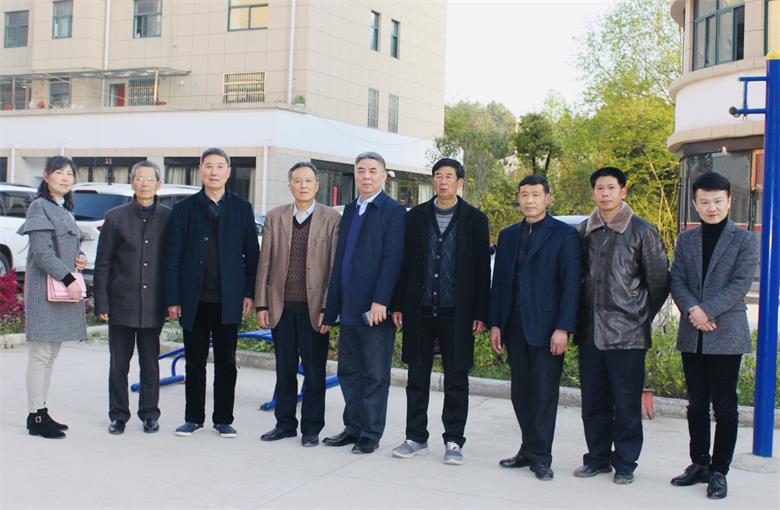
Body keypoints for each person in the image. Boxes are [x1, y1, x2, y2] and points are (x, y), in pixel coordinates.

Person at [390, 158, 490, 465]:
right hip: (419, 310)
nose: (443, 181)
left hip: (458, 313)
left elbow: (482, 270)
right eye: (438, 176)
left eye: (449, 176)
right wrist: (398, 304)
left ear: (460, 182)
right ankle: (415, 436)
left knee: (456, 379)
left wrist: (481, 312)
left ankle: (454, 440)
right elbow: (404, 263)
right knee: (417, 377)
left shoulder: (475, 219)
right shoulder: (416, 217)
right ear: (433, 180)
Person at [574, 166, 669, 484]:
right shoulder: (584, 231)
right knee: (594, 401)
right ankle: (597, 458)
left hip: (627, 335)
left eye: (611, 188)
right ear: (593, 192)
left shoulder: (642, 231)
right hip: (591, 333)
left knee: (626, 403)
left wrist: (638, 316)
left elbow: (658, 283)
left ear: (623, 191)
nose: (605, 194)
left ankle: (626, 463)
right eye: (599, 188)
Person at [669, 172, 757, 500]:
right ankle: (699, 463)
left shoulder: (744, 240)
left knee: (725, 406)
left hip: (725, 332)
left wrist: (706, 311)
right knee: (696, 405)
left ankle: (719, 471)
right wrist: (693, 310)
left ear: (729, 202)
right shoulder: (686, 239)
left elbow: (740, 284)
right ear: (695, 203)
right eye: (704, 202)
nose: (712, 207)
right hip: (693, 333)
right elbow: (677, 279)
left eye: (718, 201)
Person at [488, 174, 581, 480]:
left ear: (548, 198)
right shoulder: (508, 235)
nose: (529, 200)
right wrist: (496, 323)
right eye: (524, 194)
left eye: (536, 194)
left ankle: (541, 456)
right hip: (514, 326)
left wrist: (563, 327)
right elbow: (499, 283)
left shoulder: (564, 235)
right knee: (521, 393)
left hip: (547, 327)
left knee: (543, 394)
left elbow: (571, 285)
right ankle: (527, 449)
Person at [164, 147, 259, 438]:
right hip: (193, 299)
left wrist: (249, 293)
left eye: (220, 166)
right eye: (208, 166)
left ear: (228, 172)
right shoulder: (184, 209)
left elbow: (252, 255)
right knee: (194, 361)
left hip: (229, 299)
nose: (214, 172)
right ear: (200, 170)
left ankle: (223, 419)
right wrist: (173, 298)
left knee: (226, 361)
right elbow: (173, 256)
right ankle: (193, 418)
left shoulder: (242, 208)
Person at [322, 151, 405, 454]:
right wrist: (331, 310)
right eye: (360, 171)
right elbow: (340, 261)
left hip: (374, 309)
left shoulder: (393, 211)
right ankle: (353, 427)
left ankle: (370, 433)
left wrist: (381, 300)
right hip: (349, 306)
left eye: (372, 171)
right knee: (349, 371)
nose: (366, 176)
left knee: (375, 374)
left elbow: (393, 258)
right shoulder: (349, 209)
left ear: (384, 175)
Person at [255, 162, 341, 447]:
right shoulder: (275, 216)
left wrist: (329, 308)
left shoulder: (331, 218)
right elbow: (265, 263)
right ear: (290, 185)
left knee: (315, 372)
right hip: (281, 307)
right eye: (297, 180)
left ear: (317, 185)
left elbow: (334, 268)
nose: (303, 185)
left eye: (308, 181)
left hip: (315, 310)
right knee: (284, 369)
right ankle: (284, 424)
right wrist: (262, 305)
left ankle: (311, 428)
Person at [94, 161, 171, 435]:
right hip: (121, 303)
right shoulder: (115, 217)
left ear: (158, 184)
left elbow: (173, 263)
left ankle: (150, 414)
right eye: (140, 178)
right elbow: (103, 263)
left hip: (154, 304)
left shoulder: (168, 217)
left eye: (150, 179)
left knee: (150, 363)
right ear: (132, 182)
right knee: (118, 364)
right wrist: (102, 302)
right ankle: (118, 415)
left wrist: (172, 301)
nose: (145, 184)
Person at [19, 156, 87, 439]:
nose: (65, 177)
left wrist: (79, 258)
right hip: (44, 291)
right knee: (41, 355)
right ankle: (35, 416)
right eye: (59, 172)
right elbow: (42, 252)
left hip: (58, 291)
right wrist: (69, 278)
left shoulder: (64, 209)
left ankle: (41, 410)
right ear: (46, 176)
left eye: (69, 173)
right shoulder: (39, 206)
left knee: (50, 355)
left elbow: (66, 247)